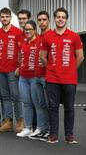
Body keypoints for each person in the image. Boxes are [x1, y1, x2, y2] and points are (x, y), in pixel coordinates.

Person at [40, 7, 84, 144]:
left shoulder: (74, 36)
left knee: (69, 108)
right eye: (58, 17)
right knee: (53, 107)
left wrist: (71, 69)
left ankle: (69, 135)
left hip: (69, 79)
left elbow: (81, 57)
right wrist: (52, 68)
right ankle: (53, 134)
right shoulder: (47, 36)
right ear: (55, 19)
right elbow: (42, 56)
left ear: (66, 19)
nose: (60, 19)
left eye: (63, 17)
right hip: (52, 78)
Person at [0, 7, 24, 133]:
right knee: (5, 97)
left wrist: (20, 66)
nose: (4, 19)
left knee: (16, 95)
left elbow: (21, 51)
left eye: (6, 16)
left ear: (10, 17)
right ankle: (8, 122)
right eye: (2, 17)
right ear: (0, 18)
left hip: (12, 69)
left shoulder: (17, 32)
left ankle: (20, 121)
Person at [28, 11, 51, 141]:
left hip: (47, 76)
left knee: (48, 105)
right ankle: (42, 129)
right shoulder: (38, 37)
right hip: (36, 75)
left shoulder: (51, 35)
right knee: (40, 104)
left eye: (44, 19)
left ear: (48, 21)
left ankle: (49, 131)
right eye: (40, 20)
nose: (42, 22)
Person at [16, 20, 41, 137]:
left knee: (37, 103)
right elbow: (20, 57)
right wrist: (19, 67)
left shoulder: (40, 41)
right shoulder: (23, 42)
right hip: (23, 77)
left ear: (35, 30)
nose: (27, 31)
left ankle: (40, 128)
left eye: (30, 29)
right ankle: (28, 127)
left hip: (35, 77)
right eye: (26, 29)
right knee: (26, 103)